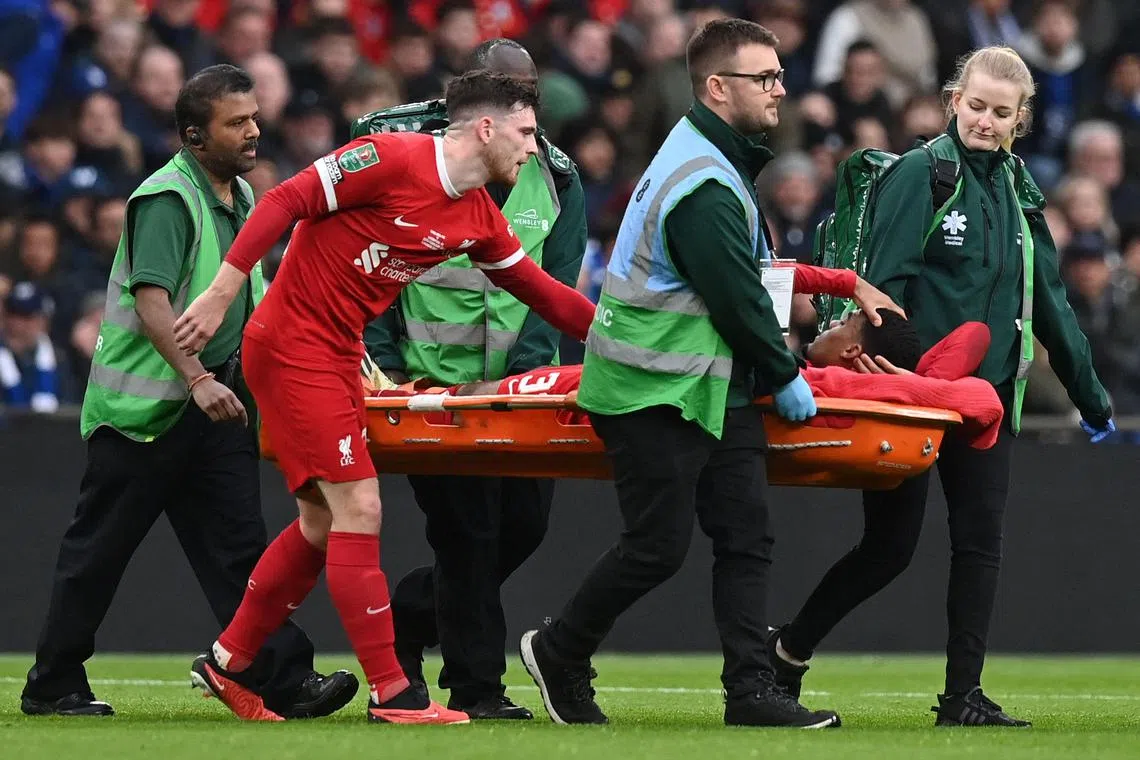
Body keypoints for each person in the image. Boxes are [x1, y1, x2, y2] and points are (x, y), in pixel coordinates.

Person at [170, 69, 598, 724]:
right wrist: (225, 287)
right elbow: (285, 199)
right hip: (291, 346)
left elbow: (545, 296)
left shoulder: (480, 216)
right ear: (485, 128)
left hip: (337, 355)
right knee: (360, 508)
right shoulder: (392, 158)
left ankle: (229, 660)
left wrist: (625, 337)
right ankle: (394, 692)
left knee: (321, 522)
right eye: (526, 133)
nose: (534, 150)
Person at [515, 19, 898, 729]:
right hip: (650, 390)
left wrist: (834, 285)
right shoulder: (705, 181)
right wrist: (787, 373)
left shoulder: (710, 161)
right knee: (658, 547)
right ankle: (561, 649)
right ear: (719, 88)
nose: (781, 88)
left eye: (780, 75)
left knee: (747, 535)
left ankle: (752, 692)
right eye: (766, 78)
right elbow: (737, 298)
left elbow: (744, 277)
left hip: (707, 385)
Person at [765, 45, 1116, 728]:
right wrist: (921, 377)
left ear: (1021, 120)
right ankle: (786, 652)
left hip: (987, 404)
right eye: (976, 105)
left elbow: (1047, 299)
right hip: (911, 399)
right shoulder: (919, 176)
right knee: (889, 549)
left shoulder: (1021, 192)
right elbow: (883, 293)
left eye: (1001, 112)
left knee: (981, 544)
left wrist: (1090, 396)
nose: (986, 120)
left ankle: (962, 698)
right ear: (954, 100)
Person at [20, 65, 358, 719]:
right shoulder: (168, 199)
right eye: (238, 122)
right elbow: (152, 303)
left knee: (242, 554)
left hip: (215, 411)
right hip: (144, 415)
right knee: (98, 555)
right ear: (196, 137)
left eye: (255, 117)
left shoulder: (240, 199)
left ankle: (282, 678)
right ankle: (53, 683)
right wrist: (198, 378)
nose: (254, 130)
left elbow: (253, 302)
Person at [355, 38, 587, 720]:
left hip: (517, 391)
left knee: (522, 530)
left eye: (529, 101)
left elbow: (555, 285)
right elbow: (375, 267)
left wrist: (528, 377)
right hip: (433, 388)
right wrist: (384, 359)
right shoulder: (415, 163)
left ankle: (411, 618)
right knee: (468, 536)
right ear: (476, 106)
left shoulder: (559, 178)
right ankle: (477, 686)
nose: (524, 114)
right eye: (508, 98)